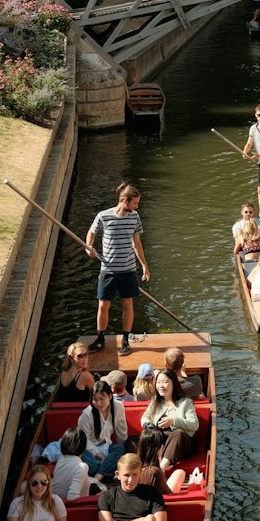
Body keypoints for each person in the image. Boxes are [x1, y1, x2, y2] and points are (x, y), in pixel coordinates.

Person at [85, 183, 150, 357]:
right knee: (103, 305)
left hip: (128, 270)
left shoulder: (134, 217)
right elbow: (92, 232)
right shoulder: (104, 216)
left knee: (128, 304)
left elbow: (137, 243)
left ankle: (126, 340)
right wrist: (88, 246)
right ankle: (100, 339)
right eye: (134, 203)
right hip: (108, 270)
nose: (137, 207)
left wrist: (144, 265)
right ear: (124, 201)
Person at [141, 369, 198, 472]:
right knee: (134, 440)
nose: (161, 386)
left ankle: (160, 470)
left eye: (165, 382)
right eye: (158, 382)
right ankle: (140, 467)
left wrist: (174, 421)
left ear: (174, 384)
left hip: (182, 444)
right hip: (161, 441)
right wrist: (149, 425)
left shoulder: (186, 402)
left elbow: (194, 424)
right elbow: (145, 417)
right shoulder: (155, 401)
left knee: (178, 433)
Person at [77, 380, 128, 480]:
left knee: (120, 448)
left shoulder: (118, 406)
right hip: (89, 449)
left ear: (109, 396)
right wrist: (100, 455)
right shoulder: (87, 414)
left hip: (106, 445)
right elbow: (84, 439)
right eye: (95, 399)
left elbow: (121, 432)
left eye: (102, 398)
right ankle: (108, 469)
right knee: (92, 466)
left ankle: (97, 478)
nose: (98, 403)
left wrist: (124, 453)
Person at [137, 426, 186, 495]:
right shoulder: (154, 472)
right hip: (160, 500)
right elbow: (169, 495)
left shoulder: (134, 468)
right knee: (180, 473)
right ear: (160, 448)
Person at [51, 427, 93, 502]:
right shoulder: (82, 467)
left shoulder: (61, 460)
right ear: (83, 446)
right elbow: (72, 497)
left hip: (55, 503)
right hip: (70, 508)